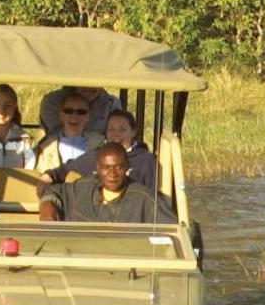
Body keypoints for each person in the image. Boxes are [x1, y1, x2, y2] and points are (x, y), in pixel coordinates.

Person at [39, 143, 176, 224]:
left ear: (127, 167)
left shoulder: (145, 200)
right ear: (97, 168)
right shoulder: (82, 189)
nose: (112, 173)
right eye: (106, 167)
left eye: (118, 167)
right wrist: (48, 205)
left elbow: (178, 230)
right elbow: (54, 191)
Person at [39, 108, 158, 194]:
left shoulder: (147, 160)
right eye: (111, 129)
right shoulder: (95, 156)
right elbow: (64, 169)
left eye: (122, 129)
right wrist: (48, 176)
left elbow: (154, 195)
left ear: (133, 132)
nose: (116, 134)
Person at [34, 91, 105, 175]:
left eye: (81, 112)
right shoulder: (45, 147)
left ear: (88, 116)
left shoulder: (101, 145)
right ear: (61, 115)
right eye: (68, 111)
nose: (74, 116)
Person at [38, 86, 121, 136]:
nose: (88, 88)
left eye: (94, 82)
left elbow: (116, 135)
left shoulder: (111, 104)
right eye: (68, 111)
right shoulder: (52, 101)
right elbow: (56, 132)